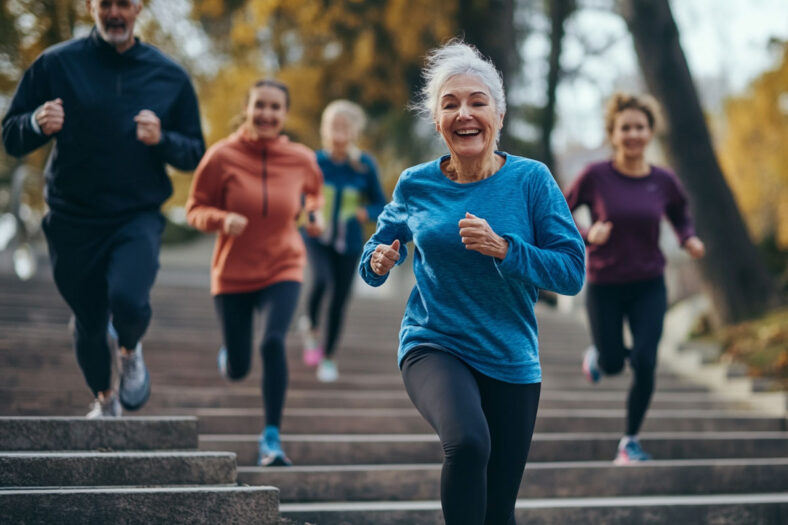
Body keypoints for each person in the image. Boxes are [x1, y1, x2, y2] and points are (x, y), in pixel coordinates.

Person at [359, 41, 585, 525]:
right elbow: (376, 251)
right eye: (450, 103)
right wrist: (376, 261)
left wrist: (506, 249)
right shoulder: (415, 184)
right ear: (437, 122)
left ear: (498, 116)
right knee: (467, 442)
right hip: (434, 342)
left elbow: (571, 271)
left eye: (478, 101)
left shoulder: (531, 180)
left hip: (510, 356)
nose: (465, 112)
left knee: (498, 510)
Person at [1, 0, 205, 418]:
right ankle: (104, 399)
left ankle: (130, 351)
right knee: (90, 321)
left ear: (139, 8)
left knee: (129, 299)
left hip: (137, 214)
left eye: (124, 4)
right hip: (72, 217)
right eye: (105, 3)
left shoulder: (169, 75)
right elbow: (10, 135)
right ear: (91, 6)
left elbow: (194, 152)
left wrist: (163, 139)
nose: (115, 12)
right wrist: (35, 124)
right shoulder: (56, 64)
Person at [186, 79, 323, 467]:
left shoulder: (300, 157)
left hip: (284, 264)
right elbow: (194, 207)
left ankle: (271, 438)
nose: (267, 114)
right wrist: (221, 217)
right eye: (260, 105)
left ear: (285, 114)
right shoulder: (221, 156)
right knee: (240, 367)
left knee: (273, 342)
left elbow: (314, 192)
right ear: (247, 108)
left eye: (275, 108)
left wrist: (314, 215)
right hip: (232, 275)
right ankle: (231, 358)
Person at [564, 92, 706, 465]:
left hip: (648, 284)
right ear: (613, 134)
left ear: (650, 132)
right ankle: (600, 356)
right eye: (625, 127)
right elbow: (559, 211)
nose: (633, 134)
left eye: (640, 127)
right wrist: (585, 234)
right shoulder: (595, 176)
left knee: (645, 360)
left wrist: (687, 237)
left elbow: (680, 213)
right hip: (605, 284)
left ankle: (630, 442)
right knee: (612, 363)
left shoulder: (663, 180)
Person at [300, 100, 387, 382]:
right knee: (322, 281)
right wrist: (310, 212)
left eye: (344, 126)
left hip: (348, 243)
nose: (338, 131)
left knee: (339, 299)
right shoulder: (315, 162)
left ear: (354, 131)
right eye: (333, 125)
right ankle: (310, 324)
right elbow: (299, 196)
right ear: (325, 130)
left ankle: (328, 357)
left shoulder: (363, 165)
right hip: (317, 237)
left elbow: (381, 204)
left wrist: (365, 212)